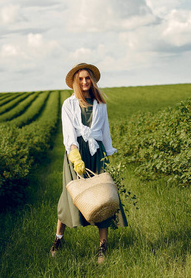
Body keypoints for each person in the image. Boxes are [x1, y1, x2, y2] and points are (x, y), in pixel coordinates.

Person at [50, 63, 128, 264]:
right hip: (76, 153)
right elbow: (69, 133)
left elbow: (104, 131)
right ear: (76, 82)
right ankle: (58, 239)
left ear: (92, 81)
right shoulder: (69, 104)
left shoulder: (100, 104)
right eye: (81, 78)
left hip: (97, 153)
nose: (85, 82)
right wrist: (75, 157)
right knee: (70, 197)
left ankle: (103, 247)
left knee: (103, 196)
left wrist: (107, 154)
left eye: (88, 78)